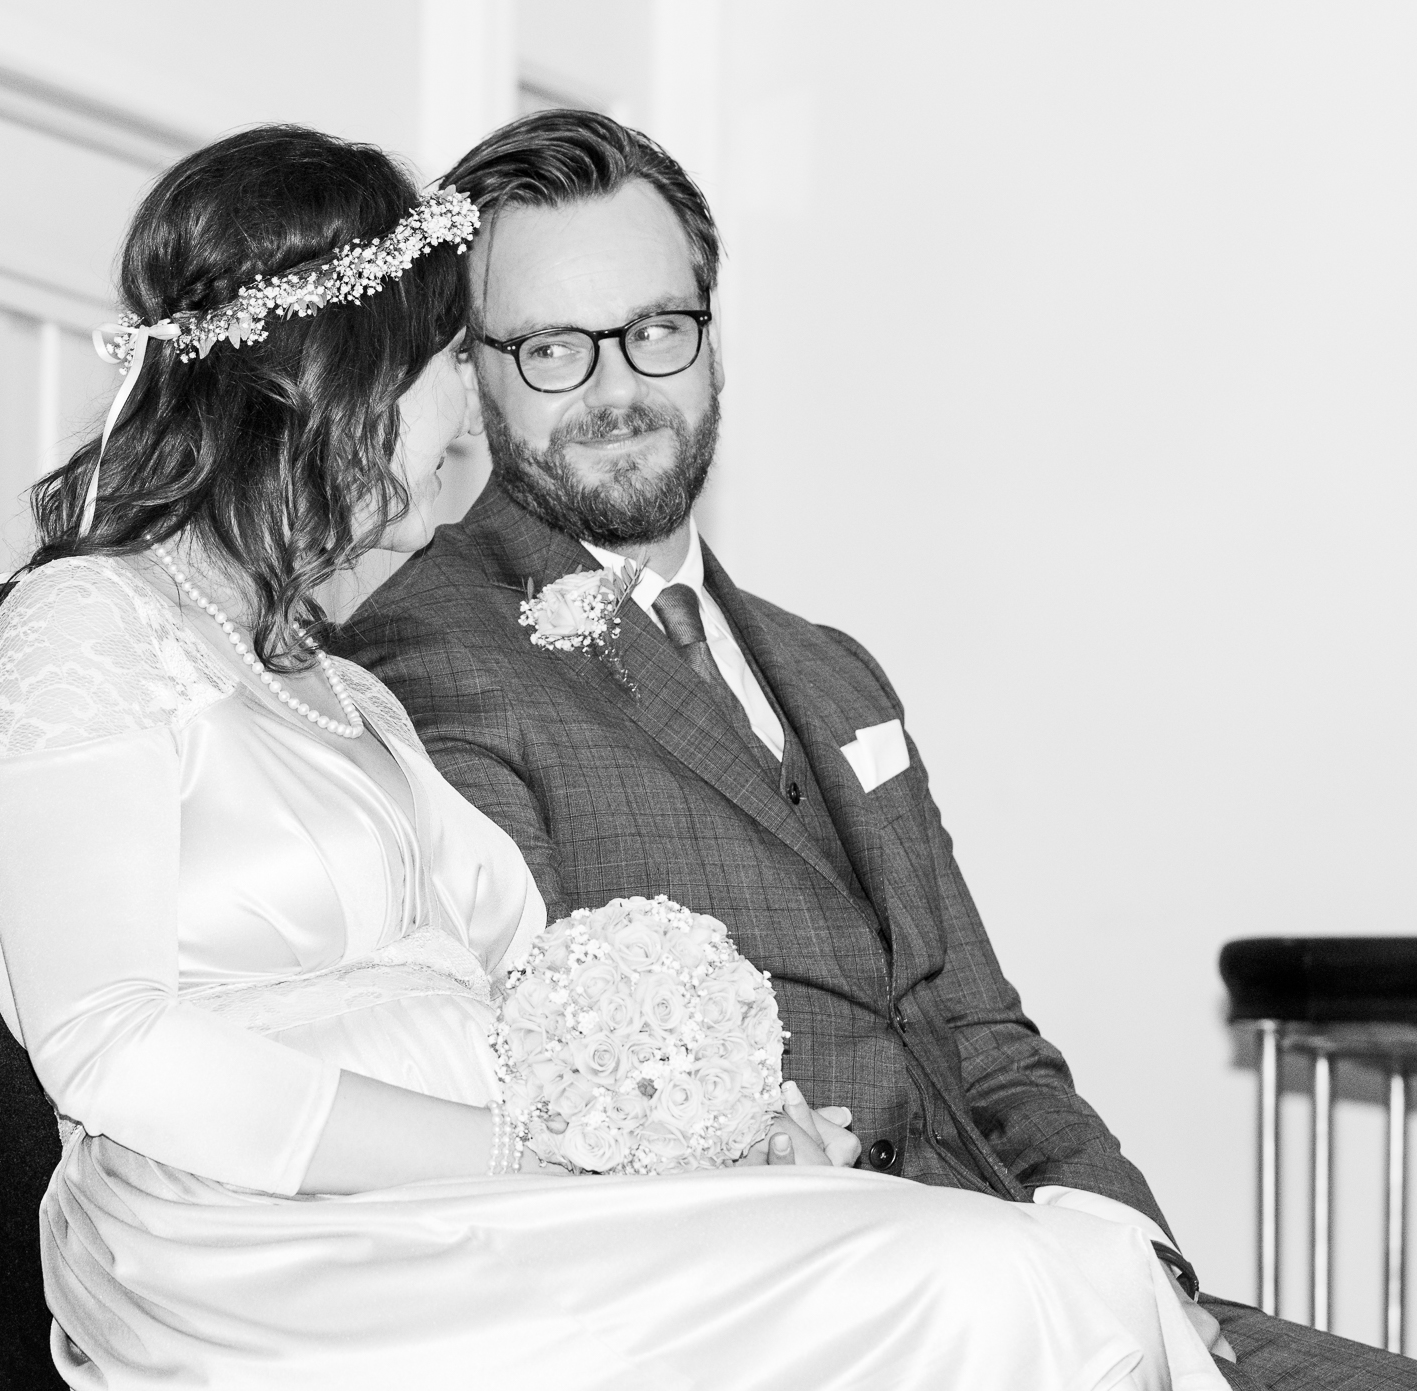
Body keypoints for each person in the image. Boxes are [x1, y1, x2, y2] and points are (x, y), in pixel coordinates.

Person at [0, 124, 1222, 1389]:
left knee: (1080, 1270)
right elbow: (108, 1043)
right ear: (341, 379)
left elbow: (528, 985)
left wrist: (726, 1136)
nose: (467, 416)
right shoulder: (82, 625)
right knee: (994, 1281)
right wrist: (544, 1153)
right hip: (281, 1235)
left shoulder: (337, 686)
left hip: (507, 1198)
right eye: (453, 360)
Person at [338, 110, 1414, 1390]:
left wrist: (1136, 1255)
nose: (619, 390)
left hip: (1050, 1277)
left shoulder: (831, 666)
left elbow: (984, 1033)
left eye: (657, 328)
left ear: (713, 339)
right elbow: (532, 1081)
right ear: (472, 373)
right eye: (555, 349)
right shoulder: (428, 651)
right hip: (811, 1321)